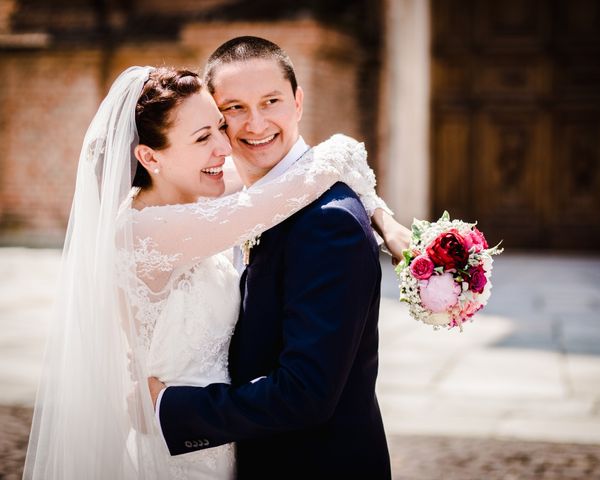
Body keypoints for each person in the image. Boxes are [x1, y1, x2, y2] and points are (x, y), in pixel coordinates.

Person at [22, 64, 407, 479]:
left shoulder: (194, 192)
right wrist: (382, 218)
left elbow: (301, 178)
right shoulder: (143, 230)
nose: (224, 148)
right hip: (178, 451)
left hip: (221, 437)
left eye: (220, 128)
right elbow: (320, 168)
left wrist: (383, 218)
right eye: (204, 137)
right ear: (150, 156)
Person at [150, 37, 403, 479]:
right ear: (215, 116)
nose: (256, 123)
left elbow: (305, 393)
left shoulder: (329, 223)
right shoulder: (236, 197)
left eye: (271, 101)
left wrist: (168, 407)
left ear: (298, 102)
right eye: (234, 108)